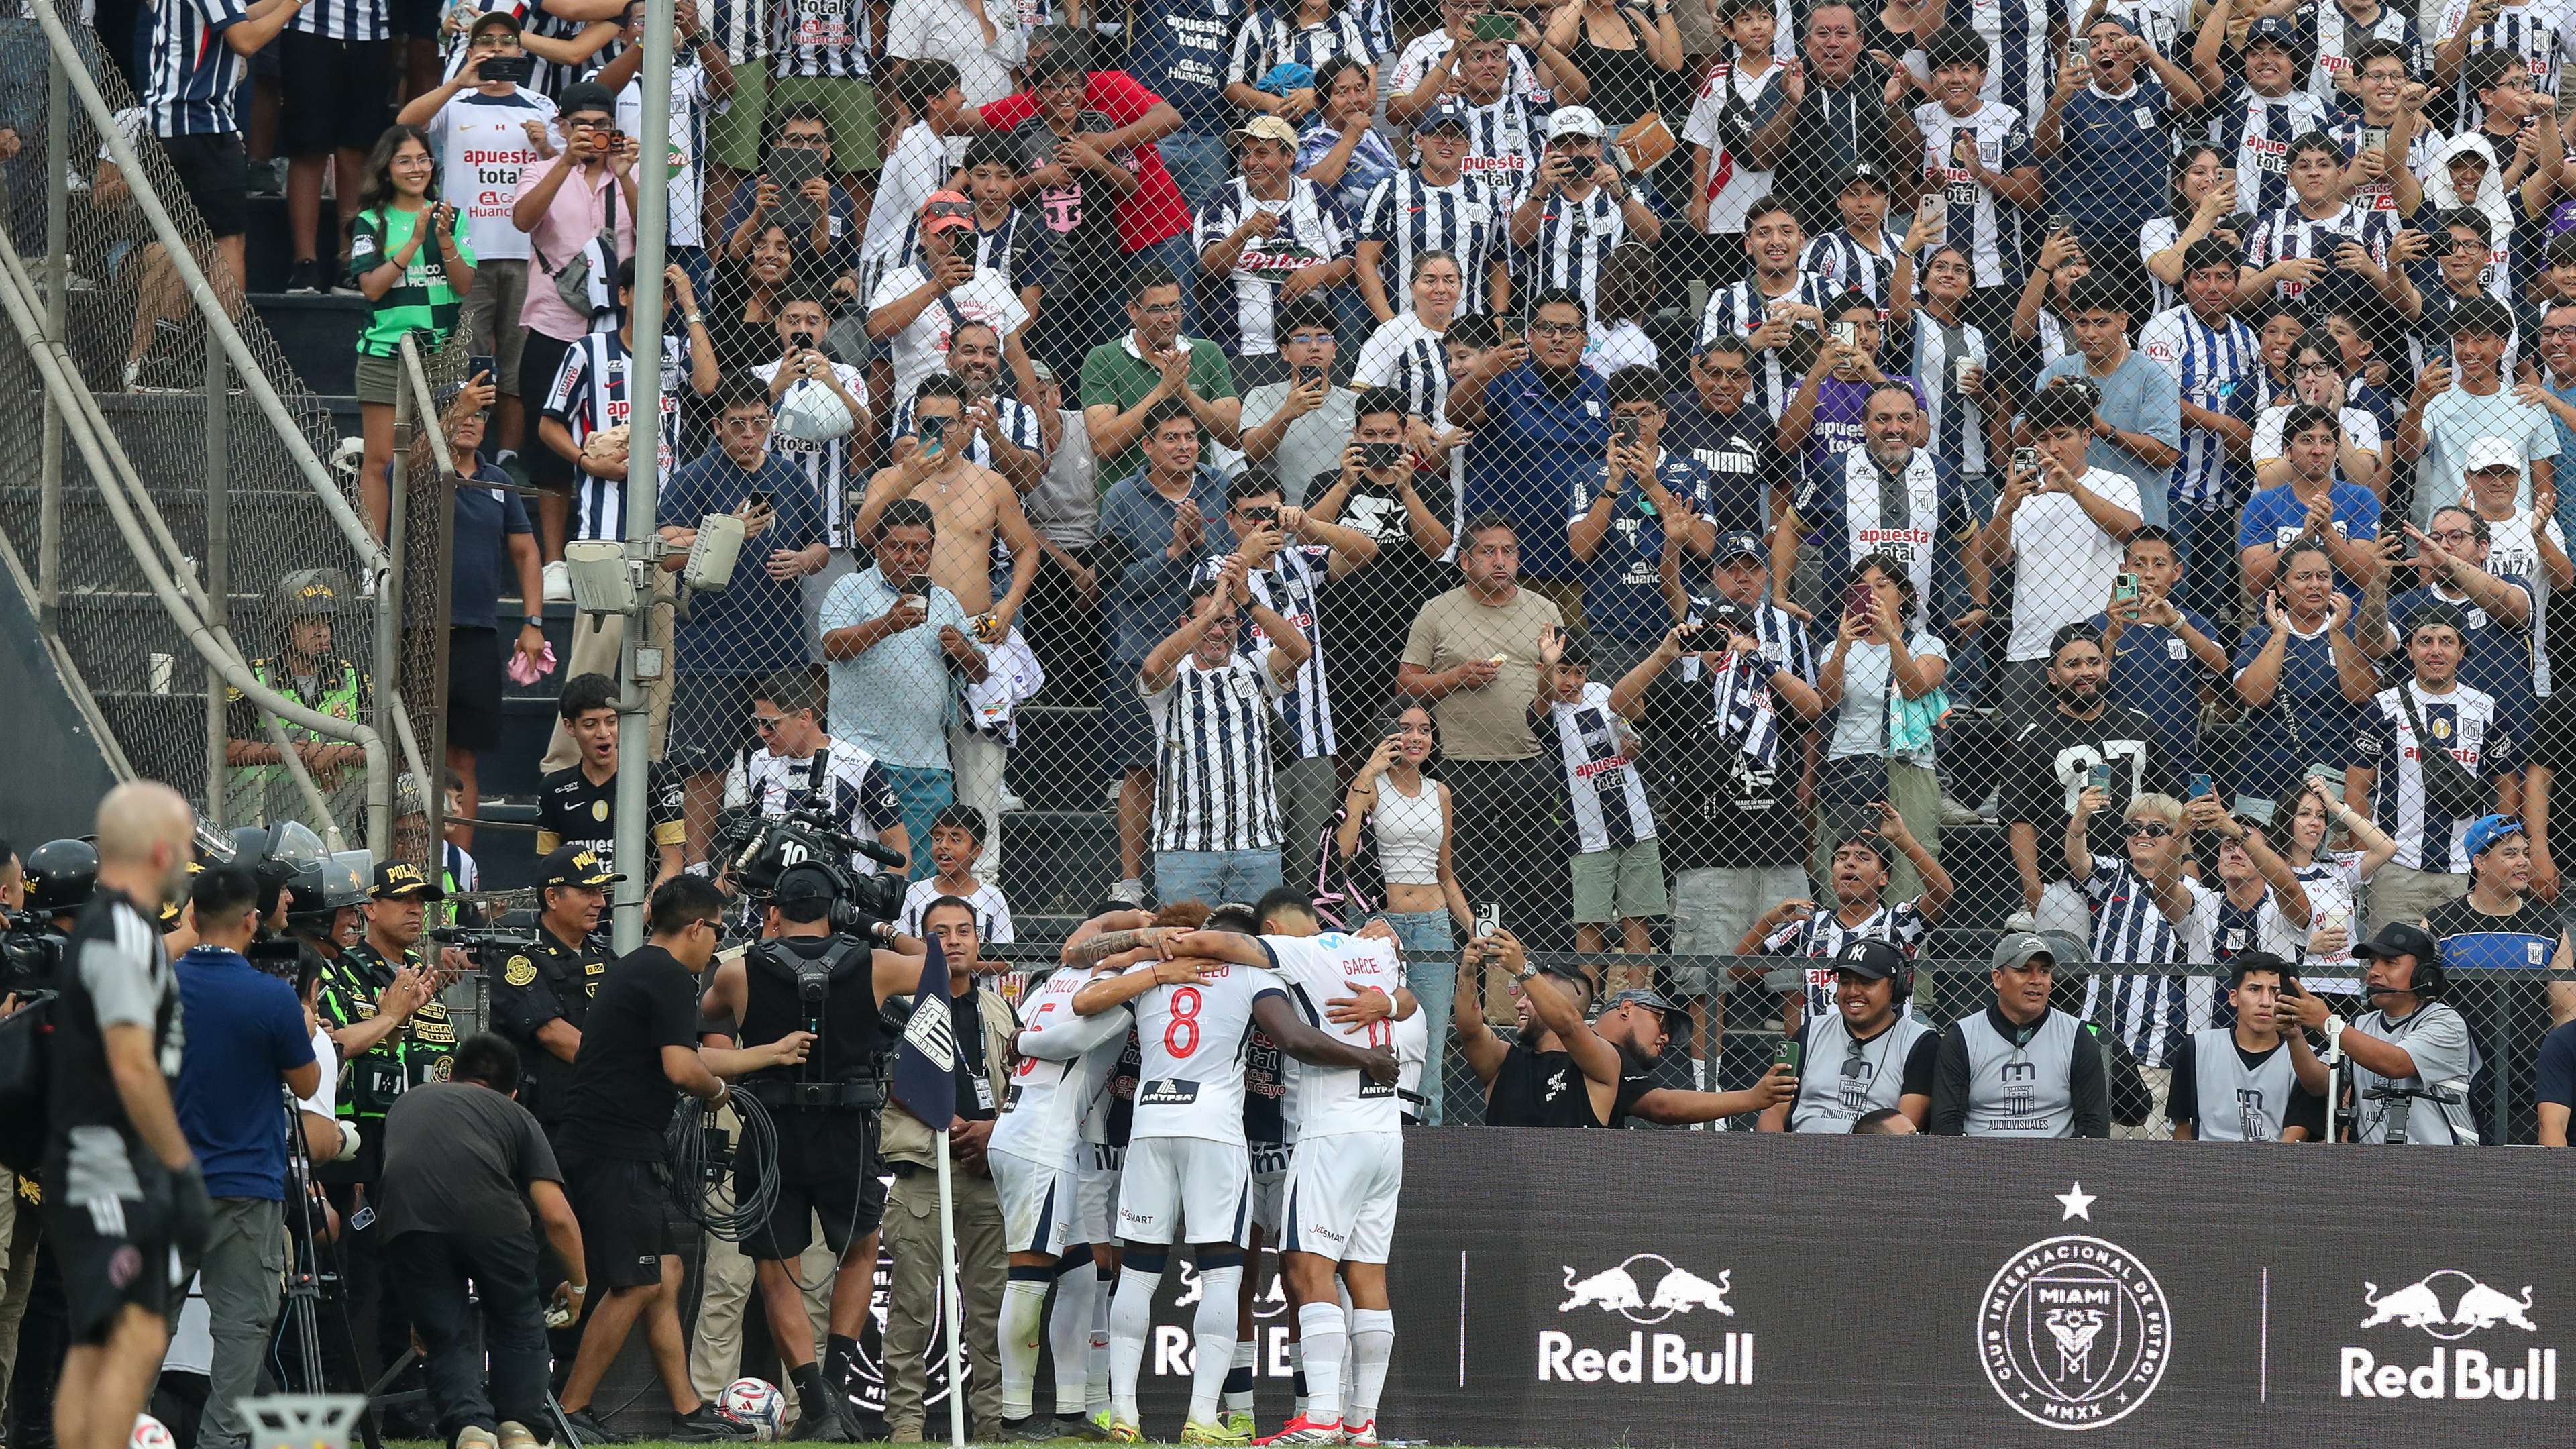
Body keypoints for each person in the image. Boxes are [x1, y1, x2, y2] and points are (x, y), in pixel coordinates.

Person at [1069, 902, 1393, 1443]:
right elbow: (1292, 1038)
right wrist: (1366, 1056)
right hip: (1215, 1131)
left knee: (1139, 1273)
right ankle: (1202, 1417)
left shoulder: (1156, 964)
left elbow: (1084, 998)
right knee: (1222, 1274)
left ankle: (1124, 1413)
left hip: (1150, 1124)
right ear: (1248, 944)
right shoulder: (1254, 975)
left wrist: (1146, 960)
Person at [553, 876, 798, 1441]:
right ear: (695, 928)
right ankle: (570, 1411)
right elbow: (684, 1070)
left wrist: (771, 1054)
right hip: (614, 1148)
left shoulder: (641, 967)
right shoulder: (668, 975)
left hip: (614, 1144)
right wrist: (717, 1095)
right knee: (638, 1283)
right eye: (717, 931)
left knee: (665, 1273)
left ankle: (687, 1411)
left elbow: (690, 1057)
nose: (716, 945)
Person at [1169, 893, 1412, 1446]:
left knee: (1306, 1270)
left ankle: (1320, 1417)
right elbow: (1410, 1000)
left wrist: (1162, 939)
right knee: (1368, 1277)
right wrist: (1388, 1003)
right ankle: (1362, 1422)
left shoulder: (1298, 953)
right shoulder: (1373, 949)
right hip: (1384, 1131)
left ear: (1274, 931)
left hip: (1331, 1135)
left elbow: (1220, 944)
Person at [696, 868, 922, 1440]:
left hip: (771, 1132)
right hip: (847, 1131)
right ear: (835, 909)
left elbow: (708, 1015)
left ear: (774, 910)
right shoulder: (874, 963)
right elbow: (937, 966)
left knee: (778, 1273)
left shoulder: (740, 970)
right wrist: (876, 927)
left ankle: (817, 1404)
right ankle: (834, 1388)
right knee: (860, 1251)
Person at [1612, 544, 1823, 1062]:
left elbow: (1814, 707)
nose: (1722, 648)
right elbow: (1620, 702)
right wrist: (1668, 653)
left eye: (1732, 637)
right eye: (1713, 637)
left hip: (1776, 851)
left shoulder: (1770, 689)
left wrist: (1758, 660)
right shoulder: (1685, 695)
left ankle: (1796, 1083)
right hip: (1705, 856)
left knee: (1794, 982)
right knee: (1707, 984)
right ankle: (1708, 1091)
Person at [45, 782, 206, 1449]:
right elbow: (131, 1064)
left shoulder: (126, 929)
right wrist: (179, 1167)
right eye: (186, 844)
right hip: (106, 1164)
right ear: (161, 852)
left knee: (97, 1343)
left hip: (108, 1162)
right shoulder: (120, 930)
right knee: (131, 1335)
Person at [169, 865, 321, 1449]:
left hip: (166, 1183)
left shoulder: (159, 987)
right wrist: (305, 1029)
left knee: (145, 1325)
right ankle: (221, 1441)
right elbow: (307, 1085)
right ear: (252, 921)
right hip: (244, 1185)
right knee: (240, 1330)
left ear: (191, 916)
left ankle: (126, 1432)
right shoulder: (271, 996)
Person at [378, 1034, 586, 1449]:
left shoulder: (407, 1103)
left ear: (450, 1076)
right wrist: (578, 1284)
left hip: (407, 1223)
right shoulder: (516, 1114)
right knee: (518, 1321)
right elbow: (557, 1215)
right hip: (494, 1222)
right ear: (513, 1092)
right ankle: (521, 1429)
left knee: (443, 1337)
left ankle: (471, 1430)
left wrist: (425, 1307)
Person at [1188, 474, 1378, 894]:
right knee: (1255, 866)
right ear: (1231, 519)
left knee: (1307, 870)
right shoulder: (1216, 566)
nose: (1262, 524)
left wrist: (1307, 524)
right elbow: (1207, 617)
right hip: (1249, 744)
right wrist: (1246, 556)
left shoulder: (1301, 560)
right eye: (1251, 515)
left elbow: (1365, 551)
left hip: (1313, 739)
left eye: (1271, 514)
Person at [663, 380, 833, 842]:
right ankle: (699, 866)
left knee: (789, 757)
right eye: (737, 424)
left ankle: (786, 853)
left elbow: (821, 546)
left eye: (758, 423)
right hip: (709, 647)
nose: (748, 434)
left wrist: (802, 561)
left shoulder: (790, 477)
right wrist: (729, 531)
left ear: (771, 424)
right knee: (705, 764)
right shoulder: (694, 477)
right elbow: (666, 550)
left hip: (780, 647)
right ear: (717, 426)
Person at [876, 896, 1014, 1440]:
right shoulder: (901, 1004)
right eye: (940, 933)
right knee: (912, 1307)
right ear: (923, 941)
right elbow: (896, 1081)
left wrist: (994, 1131)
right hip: (924, 1171)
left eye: (964, 931)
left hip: (987, 1171)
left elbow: (1022, 1084)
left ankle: (993, 1423)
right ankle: (906, 1425)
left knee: (991, 1308)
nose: (953, 941)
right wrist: (957, 1126)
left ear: (979, 940)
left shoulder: (999, 1009)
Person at [985, 935, 1130, 1440]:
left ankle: (1071, 1413)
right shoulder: (1114, 994)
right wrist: (1024, 1044)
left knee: (1081, 1275)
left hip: (1024, 1133)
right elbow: (1072, 1042)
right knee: (1029, 1275)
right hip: (1041, 1145)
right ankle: (1013, 1418)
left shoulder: (1053, 980)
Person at [1396, 517, 1565, 944]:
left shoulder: (1544, 610)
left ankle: (1525, 968)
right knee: (1468, 871)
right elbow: (1406, 684)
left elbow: (1558, 689)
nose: (1500, 560)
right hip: (1460, 765)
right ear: (1465, 561)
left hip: (1529, 761)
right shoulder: (1437, 610)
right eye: (1488, 552)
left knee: (1533, 874)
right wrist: (1456, 677)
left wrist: (1550, 670)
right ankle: (1474, 962)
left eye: (1509, 551)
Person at [1452, 929, 1797, 1128]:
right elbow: (1470, 1030)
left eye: (1532, 995)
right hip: (1502, 1196)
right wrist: (1467, 971)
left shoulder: (1604, 1061)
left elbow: (1571, 1027)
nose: (1519, 1004)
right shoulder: (1504, 1062)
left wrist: (1524, 969)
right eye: (1661, 1021)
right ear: (1627, 1009)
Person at [535, 258, 720, 589]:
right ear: (623, 295)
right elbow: (549, 425)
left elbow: (707, 385)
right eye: (647, 290)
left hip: (663, 523)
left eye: (666, 295)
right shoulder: (588, 350)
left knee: (659, 619)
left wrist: (690, 304)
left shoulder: (676, 350)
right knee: (601, 622)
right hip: (603, 522)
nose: (658, 302)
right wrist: (587, 462)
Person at [1976, 385, 2147, 724]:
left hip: (2102, 648)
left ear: (2087, 437)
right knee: (2028, 753)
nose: (2052, 448)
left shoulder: (2117, 484)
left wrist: (2071, 487)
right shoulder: (2020, 493)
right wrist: (2007, 507)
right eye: (2042, 438)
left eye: (2062, 435)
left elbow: (2131, 533)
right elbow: (1992, 559)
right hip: (2033, 647)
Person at [1140, 569, 1313, 905]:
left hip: (1256, 845)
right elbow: (1152, 667)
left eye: (1227, 622)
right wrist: (1214, 609)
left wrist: (1250, 603)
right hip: (1186, 847)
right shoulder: (1175, 675)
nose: (1217, 631)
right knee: (1187, 937)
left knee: (1256, 937)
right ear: (1186, 623)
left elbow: (1300, 651)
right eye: (1208, 622)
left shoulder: (1255, 667)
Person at [1336, 703, 1473, 1119]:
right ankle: (1374, 1122)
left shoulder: (1440, 792)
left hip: (1433, 925)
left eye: (1425, 730)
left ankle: (1427, 1131)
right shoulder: (1371, 787)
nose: (1416, 738)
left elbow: (1446, 873)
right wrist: (1367, 773)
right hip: (1379, 925)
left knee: (1430, 1039)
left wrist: (1472, 926)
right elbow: (1342, 853)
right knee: (1375, 1032)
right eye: (1405, 729)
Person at [2347, 605, 2518, 932]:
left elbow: (2507, 786)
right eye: (2425, 641)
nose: (2436, 651)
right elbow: (2356, 789)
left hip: (2465, 871)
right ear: (2409, 650)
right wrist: (2368, 858)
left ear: (2462, 651)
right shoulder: (2383, 706)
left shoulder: (2486, 708)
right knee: (2392, 959)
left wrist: (2494, 853)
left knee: (2459, 964)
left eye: (2446, 641)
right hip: (2395, 869)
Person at [347, 125, 476, 541]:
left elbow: (464, 286)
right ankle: (373, 559)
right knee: (380, 459)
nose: (416, 168)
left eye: (423, 159)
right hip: (385, 353)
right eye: (404, 161)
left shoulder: (452, 217)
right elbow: (372, 287)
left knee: (439, 458)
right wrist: (415, 240)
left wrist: (444, 240)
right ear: (387, 169)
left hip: (441, 354)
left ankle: (428, 553)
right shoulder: (371, 221)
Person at [2424, 814, 2576, 1145]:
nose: (2523, 862)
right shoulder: (2440, 925)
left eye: (2525, 853)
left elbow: (2566, 1014)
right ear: (2479, 862)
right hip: (2455, 1079)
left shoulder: (2548, 928)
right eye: (2510, 854)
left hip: (2527, 1081)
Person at [1448, 289, 1609, 592]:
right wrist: (1481, 373)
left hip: (1580, 563)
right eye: (1547, 328)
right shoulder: (1505, 377)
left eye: (1569, 330)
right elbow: (1457, 414)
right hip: (1503, 562)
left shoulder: (1602, 390)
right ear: (1531, 334)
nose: (1557, 338)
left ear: (1585, 339)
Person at [1742, 800, 1951, 1032]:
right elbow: (1739, 971)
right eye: (1841, 857)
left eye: (1863, 857)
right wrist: (1767, 922)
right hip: (1822, 1045)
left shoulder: (1899, 922)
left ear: (1884, 877)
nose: (1849, 863)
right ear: (1832, 876)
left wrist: (1902, 838)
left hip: (1887, 1044)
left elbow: (1942, 892)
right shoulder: (1810, 925)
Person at [1814, 553, 1949, 894]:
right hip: (1849, 764)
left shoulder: (1928, 644)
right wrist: (1843, 647)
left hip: (1909, 766)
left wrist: (1893, 639)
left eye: (1883, 585)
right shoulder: (1837, 645)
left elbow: (1915, 687)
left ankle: (1907, 927)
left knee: (1909, 866)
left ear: (1903, 595)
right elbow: (1826, 700)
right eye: (1863, 587)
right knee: (1847, 862)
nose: (1872, 593)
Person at [1569, 366, 1717, 674]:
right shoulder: (1589, 474)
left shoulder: (1690, 470)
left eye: (1645, 413)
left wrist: (1650, 482)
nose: (1637, 423)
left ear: (1662, 418)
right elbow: (1581, 551)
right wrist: (1613, 484)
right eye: (1626, 414)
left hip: (1677, 625)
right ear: (1613, 421)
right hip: (1610, 626)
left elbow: (1704, 547)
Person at [2284, 922, 2479, 1143]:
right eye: (2372, 963)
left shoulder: (2447, 1023)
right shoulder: (2360, 1025)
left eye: (2390, 963)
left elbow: (2396, 1064)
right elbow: (2319, 1084)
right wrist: (2294, 1036)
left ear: (2425, 975)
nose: (2374, 973)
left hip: (2445, 1159)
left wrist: (2326, 1023)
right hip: (2373, 1160)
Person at [1194, 115, 1354, 380]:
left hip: (1312, 351)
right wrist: (1244, 233)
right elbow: (1211, 265)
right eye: (1245, 153)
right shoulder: (1224, 198)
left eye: (1261, 153)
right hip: (1242, 349)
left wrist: (1319, 273)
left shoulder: (1318, 196)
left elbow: (1351, 261)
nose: (1251, 162)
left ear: (1289, 157)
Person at [866, 191, 1042, 425]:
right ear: (923, 235)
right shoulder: (900, 280)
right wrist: (936, 286)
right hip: (924, 412)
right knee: (929, 449)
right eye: (942, 234)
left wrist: (1038, 423)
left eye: (959, 234)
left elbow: (1017, 359)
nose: (950, 243)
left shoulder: (992, 280)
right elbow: (876, 329)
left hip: (985, 414)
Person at [722, 669, 914, 881]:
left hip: (839, 895)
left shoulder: (860, 765)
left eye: (770, 724)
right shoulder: (759, 761)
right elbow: (749, 841)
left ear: (805, 717)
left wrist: (874, 898)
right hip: (769, 896)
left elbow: (899, 849)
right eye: (757, 722)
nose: (761, 732)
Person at [2233, 538, 2381, 806]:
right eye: (2303, 577)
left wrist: (2338, 633)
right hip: (2265, 780)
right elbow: (2253, 696)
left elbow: (2362, 694)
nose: (2315, 585)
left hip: (2338, 780)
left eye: (2323, 576)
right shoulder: (2260, 636)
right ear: (2281, 586)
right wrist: (2280, 634)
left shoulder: (2353, 633)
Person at [2027, 277, 2183, 529]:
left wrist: (2104, 430)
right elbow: (2021, 442)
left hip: (2135, 522)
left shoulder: (2153, 376)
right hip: (2063, 523)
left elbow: (2167, 454)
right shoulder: (2057, 371)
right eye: (2082, 323)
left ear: (2123, 320)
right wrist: (2044, 406)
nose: (2090, 334)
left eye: (2101, 323)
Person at [222, 570, 370, 835]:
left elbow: (385, 749)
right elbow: (226, 748)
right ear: (284, 627)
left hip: (343, 828)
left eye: (327, 622)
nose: (323, 632)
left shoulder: (354, 679)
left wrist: (332, 754)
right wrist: (297, 754)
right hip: (271, 829)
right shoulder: (254, 678)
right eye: (311, 622)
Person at [2082, 528, 2222, 803]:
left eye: (2159, 564)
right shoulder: (2097, 625)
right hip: (2112, 758)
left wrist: (2175, 623)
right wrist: (2112, 633)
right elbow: (2088, 683)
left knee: (2181, 826)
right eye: (2139, 564)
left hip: (2179, 760)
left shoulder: (2193, 622)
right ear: (2123, 571)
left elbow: (2219, 664)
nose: (2148, 574)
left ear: (2177, 571)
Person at [1927, 931, 2112, 1137]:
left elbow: (2094, 1125)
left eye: (2044, 971)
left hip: (2056, 1156)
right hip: (1982, 1155)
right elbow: (1946, 1124)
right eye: (2024, 971)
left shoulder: (2076, 1036)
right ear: (1998, 979)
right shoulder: (1963, 1036)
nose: (2037, 980)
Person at [2399, 297, 2559, 527]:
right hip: (2450, 535)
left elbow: (2544, 489)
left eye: (2480, 340)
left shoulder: (2528, 403)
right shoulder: (2437, 400)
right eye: (2460, 340)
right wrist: (2417, 402)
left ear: (2502, 346)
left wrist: (2535, 534)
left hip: (2512, 536)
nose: (2469, 350)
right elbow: (2407, 452)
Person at [1756, 938, 1939, 1132]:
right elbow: (1772, 1111)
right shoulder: (1809, 1032)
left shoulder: (1920, 1042)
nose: (1853, 992)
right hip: (1802, 1148)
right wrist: (1777, 1151)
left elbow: (1906, 1128)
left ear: (1895, 988)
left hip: (1877, 1149)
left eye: (1866, 983)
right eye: (1845, 983)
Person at [1354, 101, 1506, 325]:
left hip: (1469, 330)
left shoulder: (1486, 196)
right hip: (1405, 324)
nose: (1447, 142)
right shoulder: (1391, 189)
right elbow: (1366, 261)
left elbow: (1498, 262)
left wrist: (1499, 322)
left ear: (1468, 146)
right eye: (1438, 134)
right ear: (1419, 140)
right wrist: (1390, 324)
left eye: (1457, 136)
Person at [537, 672, 686, 887]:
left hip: (646, 903)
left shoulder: (657, 778)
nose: (603, 733)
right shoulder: (553, 789)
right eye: (590, 724)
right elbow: (549, 870)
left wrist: (644, 907)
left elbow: (673, 863)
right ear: (570, 727)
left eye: (611, 721)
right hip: (578, 906)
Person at [1694, 196, 1834, 423]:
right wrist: (1752, 344)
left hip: (1825, 425)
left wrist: (1819, 319)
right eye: (1763, 233)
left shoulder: (1830, 292)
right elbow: (1698, 371)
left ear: (1801, 241)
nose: (1776, 241)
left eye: (1786, 232)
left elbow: (1857, 359)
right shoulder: (1724, 300)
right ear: (1749, 245)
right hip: (1749, 427)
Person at [2164, 953, 2328, 1141]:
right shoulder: (2197, 1048)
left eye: (2275, 991)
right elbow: (2182, 1128)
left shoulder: (2308, 1060)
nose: (2265, 1001)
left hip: (2274, 1158)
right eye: (2254, 989)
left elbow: (2294, 1138)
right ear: (2233, 997)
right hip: (2206, 1157)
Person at [2238, 402, 2385, 603]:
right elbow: (2254, 584)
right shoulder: (2263, 504)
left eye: (2327, 441)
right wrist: (2303, 539)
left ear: (2336, 449)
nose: (2318, 450)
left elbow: (2366, 578)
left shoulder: (2360, 498)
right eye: (2306, 440)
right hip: (2282, 617)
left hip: (2347, 617)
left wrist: (2328, 532)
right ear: (2287, 450)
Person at [1237, 299, 1362, 504]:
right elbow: (1253, 452)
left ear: (1334, 349)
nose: (1314, 347)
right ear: (1284, 351)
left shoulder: (1355, 403)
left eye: (1323, 338)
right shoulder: (1262, 396)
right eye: (1302, 339)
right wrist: (1286, 414)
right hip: (1284, 513)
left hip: (1346, 513)